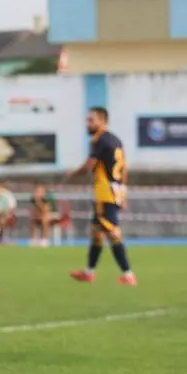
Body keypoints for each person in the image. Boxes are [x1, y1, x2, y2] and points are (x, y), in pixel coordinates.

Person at [65, 107, 136, 285]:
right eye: (87, 120)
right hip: (115, 190)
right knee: (97, 233)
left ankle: (128, 274)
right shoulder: (115, 139)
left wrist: (71, 175)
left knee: (112, 231)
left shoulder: (100, 140)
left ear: (102, 121)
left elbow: (90, 165)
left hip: (104, 192)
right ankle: (89, 272)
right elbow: (124, 169)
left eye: (92, 120)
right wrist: (123, 193)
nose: (88, 124)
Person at [29, 183, 60, 247]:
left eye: (39, 191)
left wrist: (38, 202)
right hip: (40, 215)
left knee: (45, 220)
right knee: (32, 220)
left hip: (53, 214)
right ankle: (34, 240)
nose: (37, 193)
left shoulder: (47, 198)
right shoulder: (34, 199)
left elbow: (45, 210)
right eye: (37, 191)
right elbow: (34, 210)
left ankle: (45, 240)